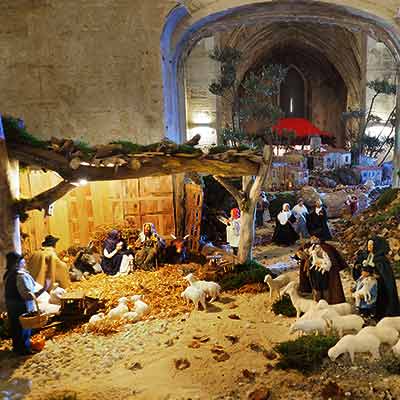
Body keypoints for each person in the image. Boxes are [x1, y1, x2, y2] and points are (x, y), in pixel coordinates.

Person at [4, 252, 51, 355]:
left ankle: (18, 348)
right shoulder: (20, 276)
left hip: (11, 304)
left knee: (16, 326)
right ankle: (24, 349)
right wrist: (44, 288)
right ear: (17, 263)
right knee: (24, 327)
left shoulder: (8, 274)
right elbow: (27, 295)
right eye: (22, 260)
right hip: (20, 305)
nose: (24, 261)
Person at [355, 236, 400, 320]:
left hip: (379, 284)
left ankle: (379, 314)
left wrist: (371, 273)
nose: (369, 247)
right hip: (368, 281)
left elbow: (383, 274)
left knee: (376, 298)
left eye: (371, 245)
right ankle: (365, 312)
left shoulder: (381, 259)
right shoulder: (369, 256)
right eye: (368, 245)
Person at [306, 236, 346, 304]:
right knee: (316, 289)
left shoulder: (326, 248)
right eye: (312, 238)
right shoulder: (311, 247)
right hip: (315, 273)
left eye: (314, 238)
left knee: (325, 289)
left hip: (324, 273)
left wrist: (323, 266)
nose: (312, 239)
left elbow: (329, 263)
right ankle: (317, 304)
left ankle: (326, 303)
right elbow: (309, 257)